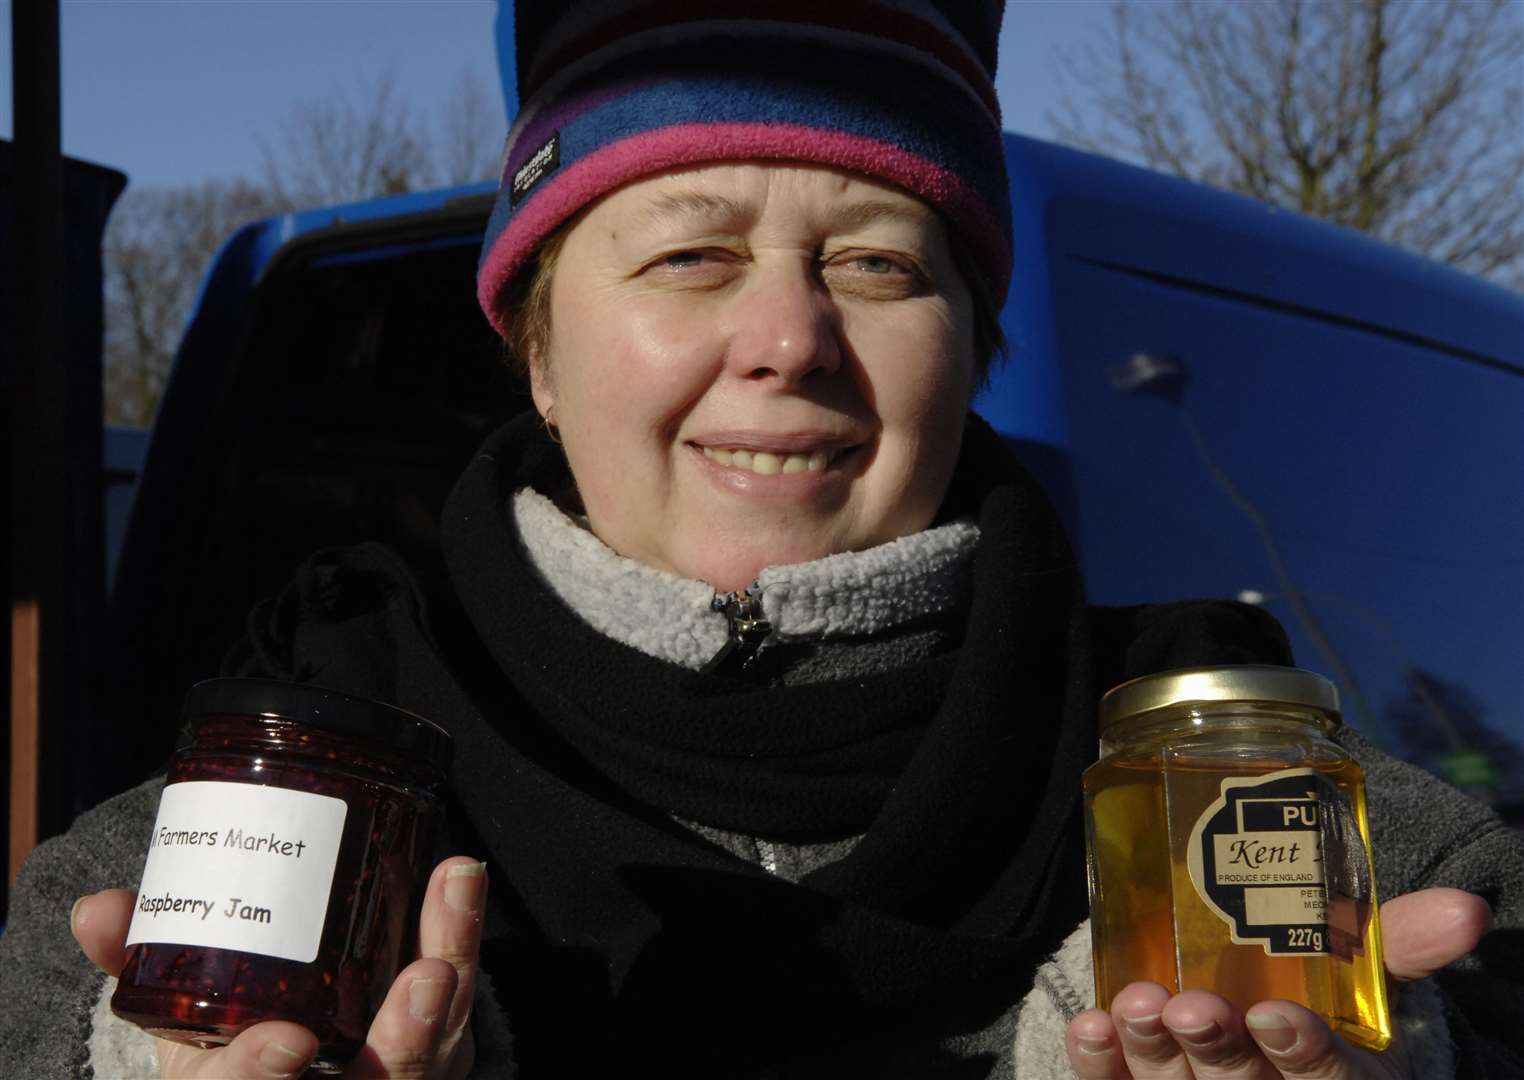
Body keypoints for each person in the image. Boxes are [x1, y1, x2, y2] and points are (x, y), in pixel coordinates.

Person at [3, 3, 1521, 1078]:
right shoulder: (292, 767)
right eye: (689, 254)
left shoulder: (1218, 760)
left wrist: (1410, 1052)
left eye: (876, 263)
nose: (789, 336)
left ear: (973, 348)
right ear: (538, 352)